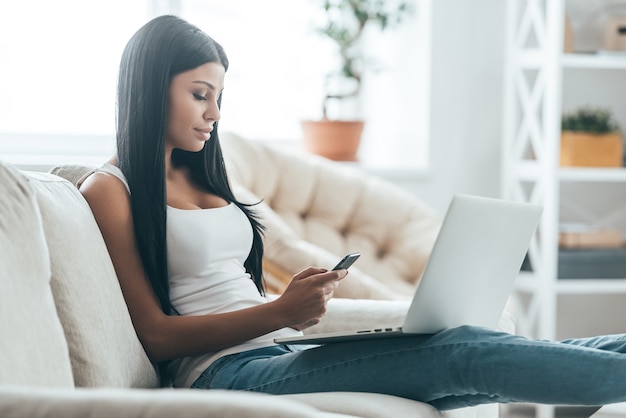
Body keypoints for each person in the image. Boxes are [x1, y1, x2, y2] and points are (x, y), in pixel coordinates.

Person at [80, 14, 626, 411]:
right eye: (200, 94)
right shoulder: (110, 189)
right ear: (152, 87)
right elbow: (154, 334)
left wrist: (291, 301)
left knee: (477, 344)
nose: (214, 114)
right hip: (226, 374)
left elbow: (226, 287)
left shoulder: (203, 174)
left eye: (219, 96)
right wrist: (278, 312)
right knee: (460, 354)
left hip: (276, 349)